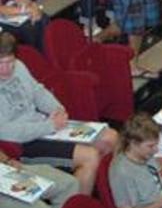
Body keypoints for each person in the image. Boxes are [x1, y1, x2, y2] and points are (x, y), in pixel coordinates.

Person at [0, 31, 116, 194]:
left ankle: (96, 192)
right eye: (1, 63)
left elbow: (37, 91)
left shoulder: (19, 66)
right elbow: (6, 132)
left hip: (45, 126)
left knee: (111, 137)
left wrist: (57, 109)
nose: (6, 69)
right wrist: (50, 126)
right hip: (22, 143)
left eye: (9, 62)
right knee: (90, 156)